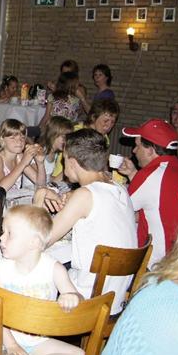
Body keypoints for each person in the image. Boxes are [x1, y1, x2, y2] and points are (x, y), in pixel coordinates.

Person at [100, 196, 178, 355]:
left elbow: (120, 206)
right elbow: (122, 205)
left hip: (139, 279)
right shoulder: (166, 323)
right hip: (145, 277)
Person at [33, 129, 137, 314]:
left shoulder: (85, 196)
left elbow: (39, 241)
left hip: (84, 303)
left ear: (73, 163)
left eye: (64, 159)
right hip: (114, 302)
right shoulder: (119, 188)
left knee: (28, 266)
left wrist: (39, 197)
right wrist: (72, 196)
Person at [0, 205, 85, 355]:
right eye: (3, 232)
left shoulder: (54, 269)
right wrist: (11, 345)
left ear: (34, 243)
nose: (1, 237)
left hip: (36, 341)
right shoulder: (1, 270)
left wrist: (72, 298)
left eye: (9, 233)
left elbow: (79, 300)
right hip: (1, 334)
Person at [117, 119, 178, 267]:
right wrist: (133, 173)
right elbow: (157, 198)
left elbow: (119, 209)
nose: (134, 151)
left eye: (137, 145)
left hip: (161, 269)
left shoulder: (150, 174)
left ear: (150, 150)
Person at [0, 119, 45, 192]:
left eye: (22, 137)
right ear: (2, 139)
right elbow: (0, 188)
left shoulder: (19, 157)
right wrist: (23, 163)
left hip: (13, 198)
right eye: (13, 138)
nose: (19, 141)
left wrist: (40, 163)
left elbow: (40, 183)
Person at [40, 116, 74, 184]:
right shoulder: (40, 152)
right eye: (63, 137)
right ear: (53, 134)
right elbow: (43, 181)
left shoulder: (56, 153)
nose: (66, 141)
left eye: (68, 138)